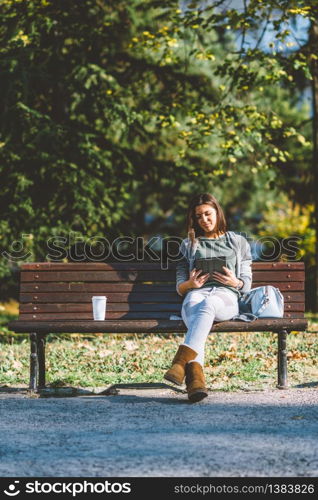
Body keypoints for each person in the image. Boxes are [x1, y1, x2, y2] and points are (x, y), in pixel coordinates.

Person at [164, 193, 252, 402]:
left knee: (210, 303)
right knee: (198, 307)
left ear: (217, 213)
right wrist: (190, 285)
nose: (204, 220)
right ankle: (195, 384)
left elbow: (246, 282)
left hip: (226, 297)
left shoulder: (237, 241)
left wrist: (235, 282)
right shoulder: (189, 244)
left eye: (208, 214)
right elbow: (180, 284)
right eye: (199, 216)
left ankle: (180, 363)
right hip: (195, 294)